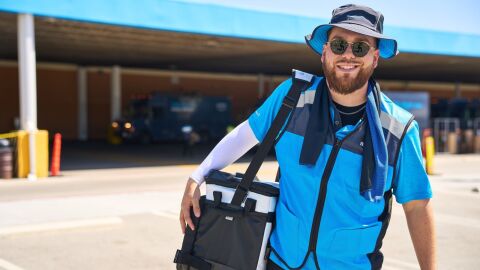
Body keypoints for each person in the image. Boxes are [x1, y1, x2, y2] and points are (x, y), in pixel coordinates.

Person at [179, 4, 435, 270]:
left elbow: (417, 207)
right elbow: (244, 136)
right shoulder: (292, 97)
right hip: (281, 263)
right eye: (339, 45)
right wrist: (197, 176)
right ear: (325, 52)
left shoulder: (399, 129)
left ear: (375, 58)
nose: (348, 55)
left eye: (360, 47)